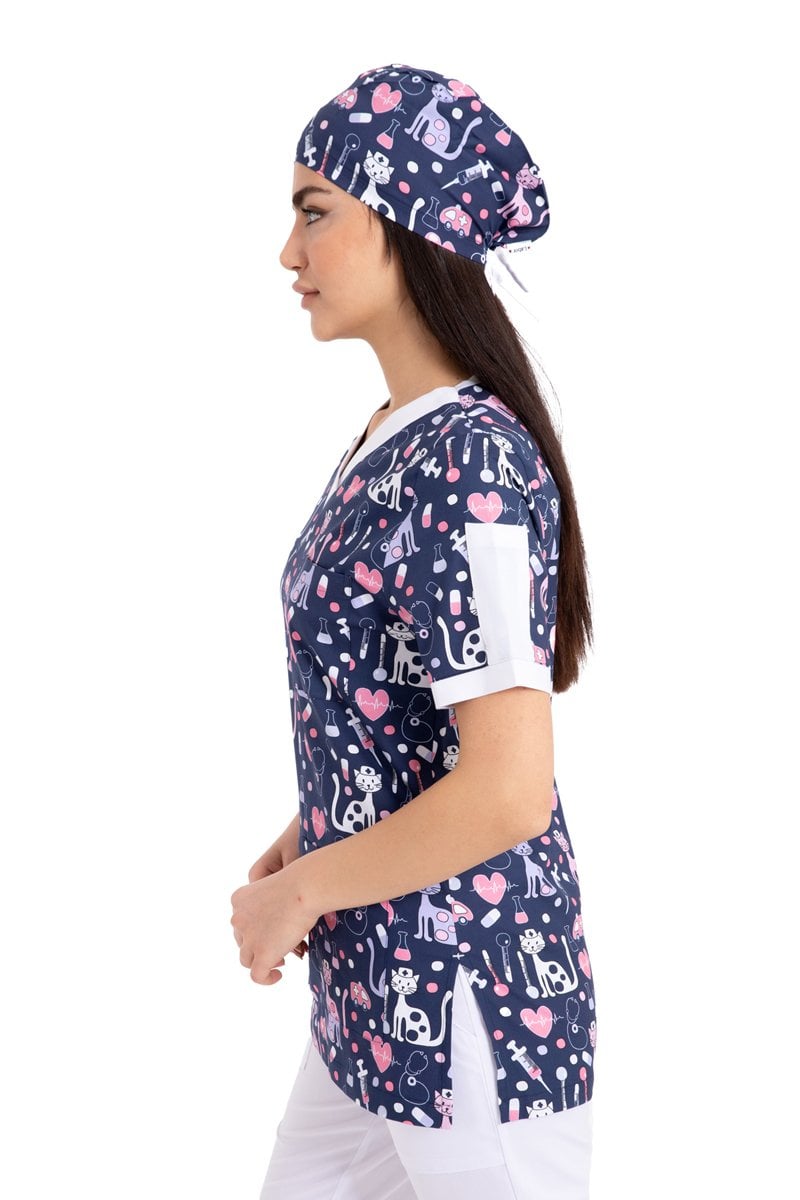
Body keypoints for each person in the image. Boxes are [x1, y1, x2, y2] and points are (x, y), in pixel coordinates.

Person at [230, 62, 599, 1199]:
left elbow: (507, 792)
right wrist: (313, 831)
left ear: (406, 221)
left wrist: (301, 893)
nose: (287, 252)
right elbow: (401, 708)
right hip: (373, 996)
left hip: (469, 1005)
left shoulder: (470, 460)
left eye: (313, 212)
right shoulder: (398, 431)